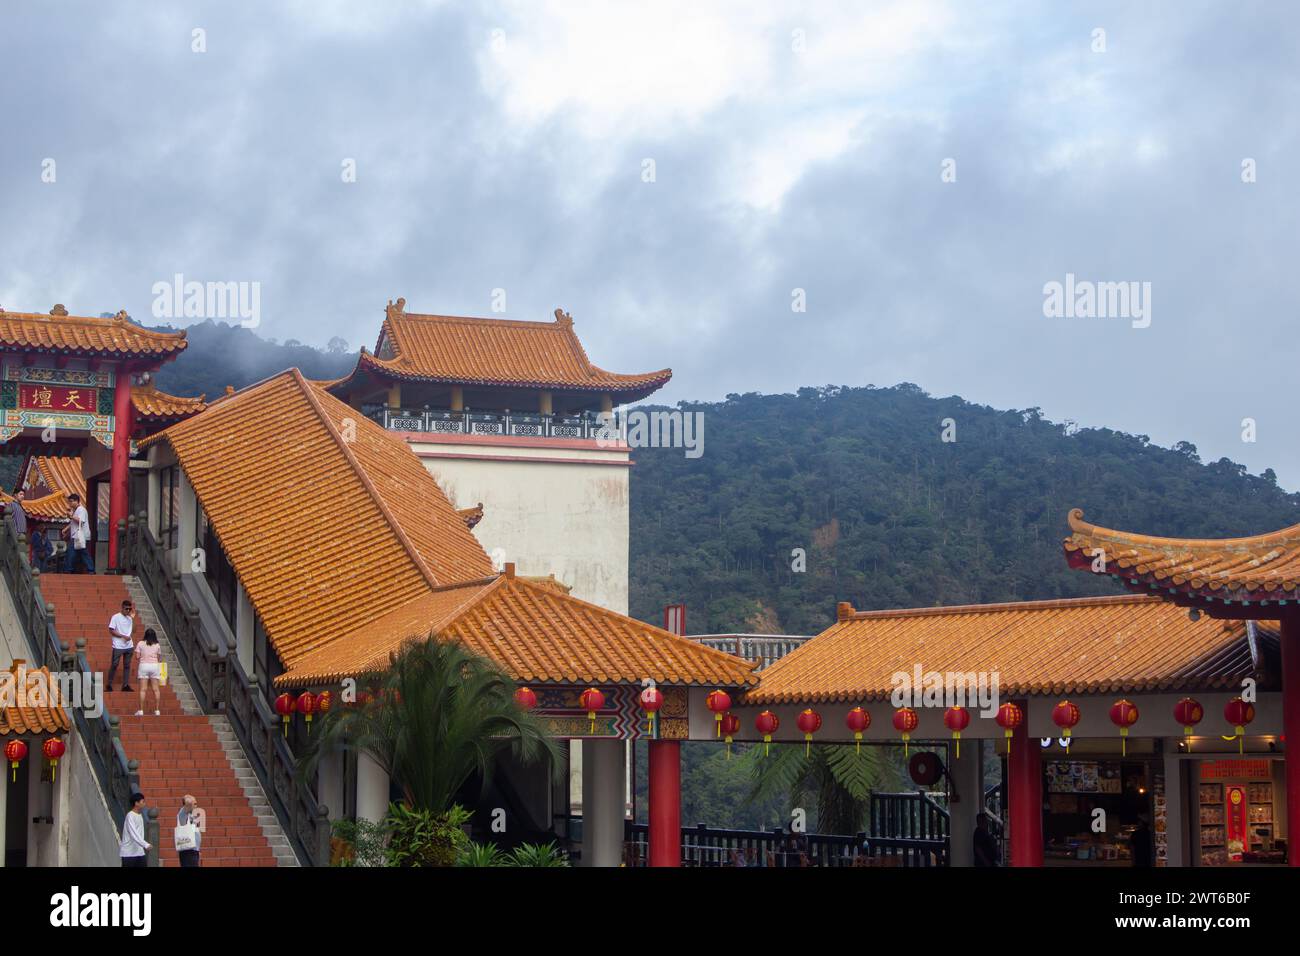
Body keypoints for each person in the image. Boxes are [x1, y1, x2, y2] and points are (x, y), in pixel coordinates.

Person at [107, 599, 137, 693]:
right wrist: (122, 636)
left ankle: (125, 685)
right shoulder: (115, 617)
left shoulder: (129, 618)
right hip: (118, 645)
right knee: (115, 664)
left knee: (127, 665)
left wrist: (133, 618)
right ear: (122, 608)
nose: (128, 611)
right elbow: (111, 630)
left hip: (129, 645)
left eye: (129, 609)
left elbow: (134, 630)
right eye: (126, 609)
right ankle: (109, 684)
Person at [135, 628, 163, 716]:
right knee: (156, 690)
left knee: (143, 690)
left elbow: (137, 656)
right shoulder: (157, 645)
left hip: (144, 666)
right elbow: (159, 658)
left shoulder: (140, 643)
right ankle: (157, 710)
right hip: (154, 666)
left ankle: (141, 711)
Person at [64, 493, 93, 574]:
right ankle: (90, 570)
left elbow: (81, 521)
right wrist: (66, 529)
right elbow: (73, 522)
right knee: (82, 553)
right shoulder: (76, 510)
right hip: (76, 536)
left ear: (77, 501)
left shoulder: (81, 510)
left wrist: (71, 516)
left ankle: (68, 570)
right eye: (69, 502)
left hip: (81, 536)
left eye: (71, 501)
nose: (70, 503)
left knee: (73, 552)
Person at [120, 792, 150, 867]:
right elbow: (134, 833)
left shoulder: (140, 815)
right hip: (128, 854)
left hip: (139, 852)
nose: (144, 803)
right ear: (136, 803)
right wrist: (145, 844)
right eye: (142, 801)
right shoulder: (130, 816)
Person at [177, 794, 203, 867]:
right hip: (188, 850)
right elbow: (186, 806)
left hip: (194, 850)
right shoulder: (182, 814)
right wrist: (189, 801)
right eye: (194, 804)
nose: (196, 806)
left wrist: (198, 849)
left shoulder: (191, 815)